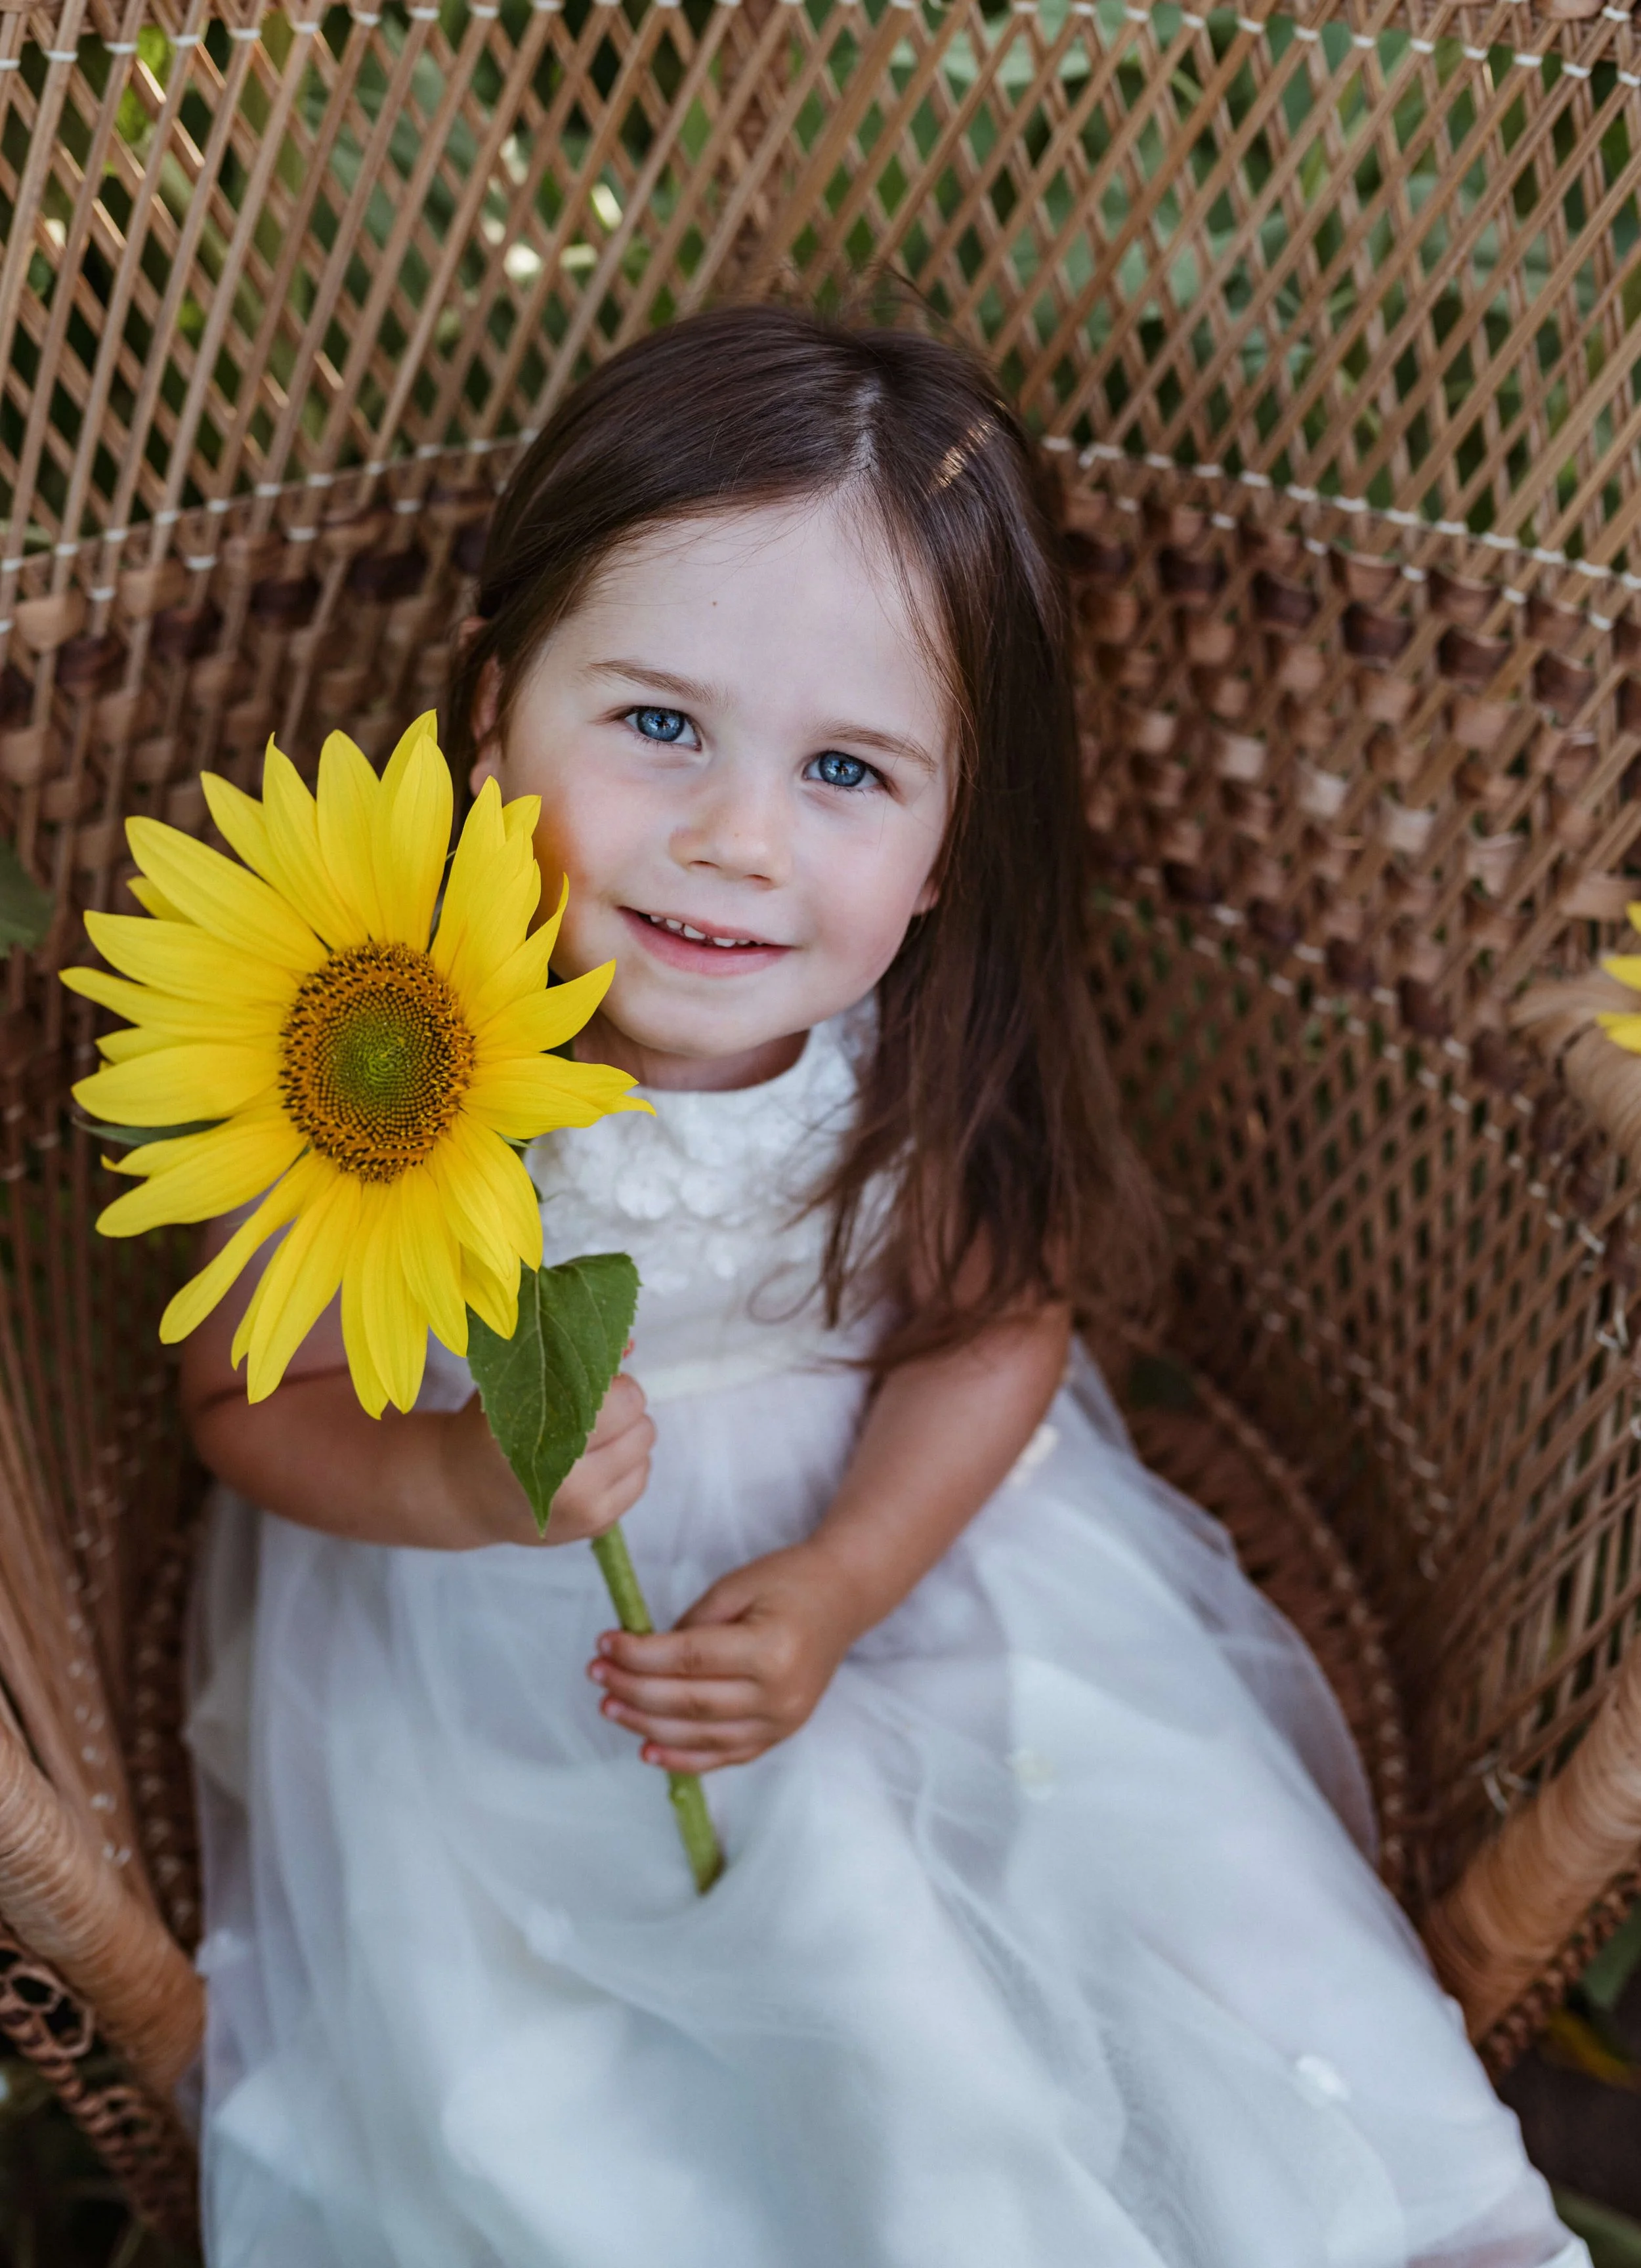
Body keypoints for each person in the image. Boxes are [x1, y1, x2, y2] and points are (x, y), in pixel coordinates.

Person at [182, 304, 1587, 2268]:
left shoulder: (904, 1067)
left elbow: (996, 1328)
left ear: (939, 849)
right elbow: (249, 1401)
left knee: (1167, 1901)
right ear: (495, 711)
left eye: (847, 768)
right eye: (657, 722)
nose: (734, 838)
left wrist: (849, 1580)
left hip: (917, 1561)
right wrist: (461, 1489)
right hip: (505, 1628)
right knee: (719, 2038)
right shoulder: (363, 1055)